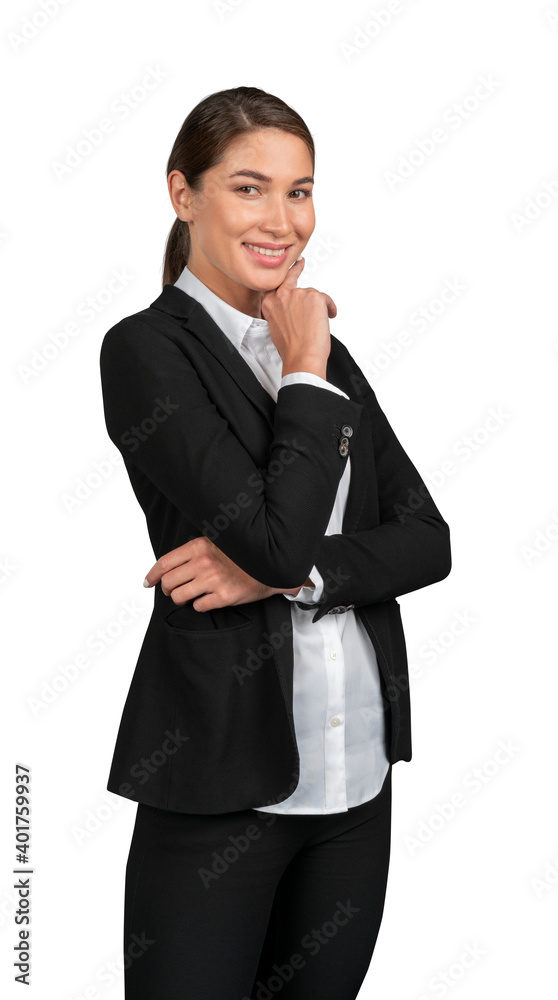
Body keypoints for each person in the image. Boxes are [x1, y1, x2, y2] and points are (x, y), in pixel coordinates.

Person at [99, 85, 451, 999]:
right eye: (250, 188)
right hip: (223, 782)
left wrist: (284, 580)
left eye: (300, 191)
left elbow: (427, 538)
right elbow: (273, 535)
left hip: (355, 783)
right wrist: (303, 366)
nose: (284, 219)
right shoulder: (147, 350)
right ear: (184, 194)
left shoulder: (329, 353)